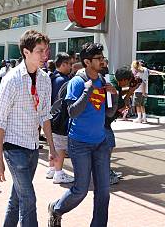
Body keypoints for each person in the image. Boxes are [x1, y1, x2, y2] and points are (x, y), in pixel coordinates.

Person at [48, 42, 118, 227]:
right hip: (80, 143)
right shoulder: (77, 82)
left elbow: (109, 113)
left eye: (103, 58)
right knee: (81, 189)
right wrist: (87, 91)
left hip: (100, 142)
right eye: (99, 59)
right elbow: (72, 111)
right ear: (87, 62)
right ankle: (56, 209)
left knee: (103, 192)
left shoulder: (103, 81)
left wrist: (114, 96)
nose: (102, 62)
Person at [0, 30, 56, 227]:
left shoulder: (45, 79)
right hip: (13, 147)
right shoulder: (12, 79)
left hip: (33, 147)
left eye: (46, 51)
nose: (45, 55)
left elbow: (45, 115)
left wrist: (52, 148)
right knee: (29, 199)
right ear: (26, 52)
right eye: (40, 51)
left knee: (18, 197)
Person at [105, 66, 137, 184]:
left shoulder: (113, 82)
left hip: (102, 122)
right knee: (109, 146)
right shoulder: (114, 88)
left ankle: (106, 171)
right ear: (124, 80)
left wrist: (129, 90)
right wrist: (130, 92)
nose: (129, 83)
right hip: (104, 123)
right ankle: (105, 174)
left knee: (107, 146)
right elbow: (122, 106)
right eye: (128, 80)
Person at [46, 52, 74, 184]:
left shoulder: (52, 77)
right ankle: (58, 172)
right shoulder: (63, 81)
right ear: (62, 64)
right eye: (69, 64)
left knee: (53, 144)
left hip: (50, 118)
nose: (71, 67)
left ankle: (52, 168)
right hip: (60, 118)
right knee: (60, 146)